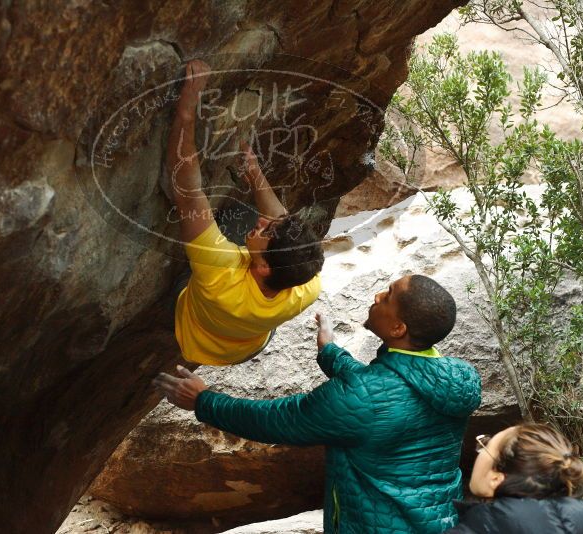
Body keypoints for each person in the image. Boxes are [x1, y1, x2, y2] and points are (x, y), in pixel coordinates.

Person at [154, 274, 482, 533]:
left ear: (398, 328)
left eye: (388, 296)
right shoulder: (456, 378)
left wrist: (204, 401)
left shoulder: (362, 396)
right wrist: (331, 353)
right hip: (439, 522)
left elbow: (278, 419)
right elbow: (388, 387)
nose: (377, 297)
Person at [166, 59, 324, 366]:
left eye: (266, 231)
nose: (263, 222)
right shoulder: (307, 285)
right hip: (247, 344)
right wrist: (253, 171)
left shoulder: (220, 274)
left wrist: (187, 108)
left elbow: (187, 191)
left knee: (224, 220)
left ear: (263, 266)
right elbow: (281, 222)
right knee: (248, 218)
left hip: (196, 334)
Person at [444, 423, 583, 534]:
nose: (479, 449)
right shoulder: (582, 517)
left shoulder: (480, 527)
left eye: (485, 445)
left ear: (496, 478)